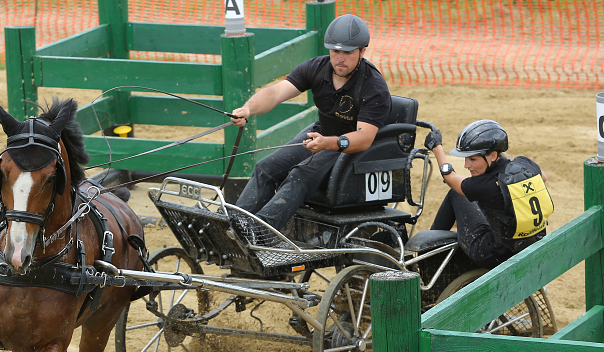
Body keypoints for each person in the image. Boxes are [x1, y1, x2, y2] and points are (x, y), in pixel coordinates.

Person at [230, 13, 391, 231]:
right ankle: (237, 225)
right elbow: (276, 93)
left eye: (348, 53)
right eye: (335, 51)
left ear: (362, 51)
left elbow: (364, 139)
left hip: (349, 148)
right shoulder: (316, 68)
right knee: (265, 167)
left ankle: (260, 233)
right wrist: (248, 109)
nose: (340, 58)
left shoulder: (374, 87)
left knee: (299, 175)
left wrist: (328, 143)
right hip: (320, 134)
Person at [425, 120, 554, 269]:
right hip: (530, 244)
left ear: (493, 155)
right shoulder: (524, 163)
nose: (467, 165)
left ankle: (429, 256)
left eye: (473, 159)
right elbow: (543, 177)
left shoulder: (486, 185)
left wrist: (437, 147)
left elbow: (450, 177)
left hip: (494, 254)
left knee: (457, 194)